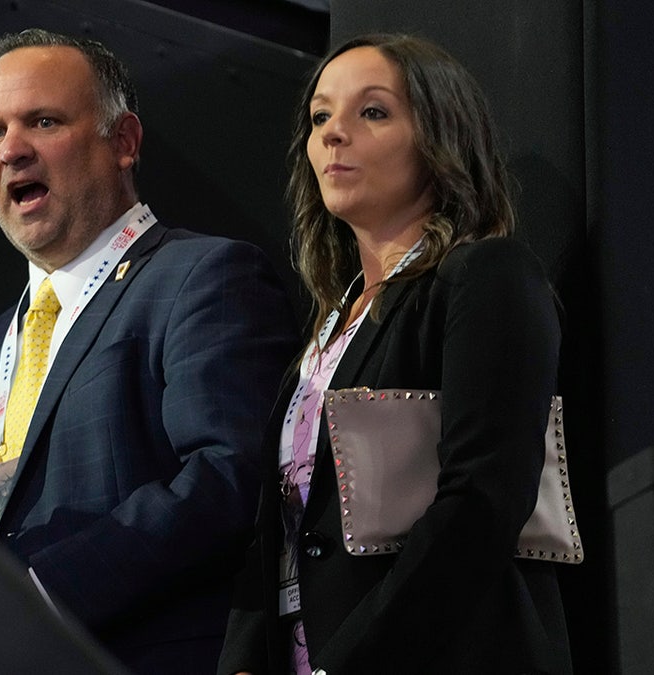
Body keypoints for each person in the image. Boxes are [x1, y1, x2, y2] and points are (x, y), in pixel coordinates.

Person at [217, 34, 571, 675]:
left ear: (441, 137)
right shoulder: (325, 329)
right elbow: (275, 526)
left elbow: (483, 501)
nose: (333, 135)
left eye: (372, 112)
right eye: (320, 116)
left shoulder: (487, 276)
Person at [0, 29, 296, 673]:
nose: (11, 150)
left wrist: (46, 591)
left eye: (43, 121)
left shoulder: (204, 277)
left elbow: (230, 476)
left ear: (124, 142)